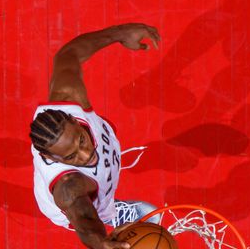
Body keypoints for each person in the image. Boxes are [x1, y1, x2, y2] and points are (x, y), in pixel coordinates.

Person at [29, 23, 162, 249]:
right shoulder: (68, 186)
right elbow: (86, 221)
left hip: (92, 166)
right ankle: (112, 212)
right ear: (52, 158)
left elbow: (69, 54)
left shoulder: (69, 97)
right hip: (78, 204)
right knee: (95, 205)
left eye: (81, 140)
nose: (86, 153)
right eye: (71, 157)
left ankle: (110, 205)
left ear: (72, 119)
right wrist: (102, 244)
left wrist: (121, 34)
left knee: (100, 171)